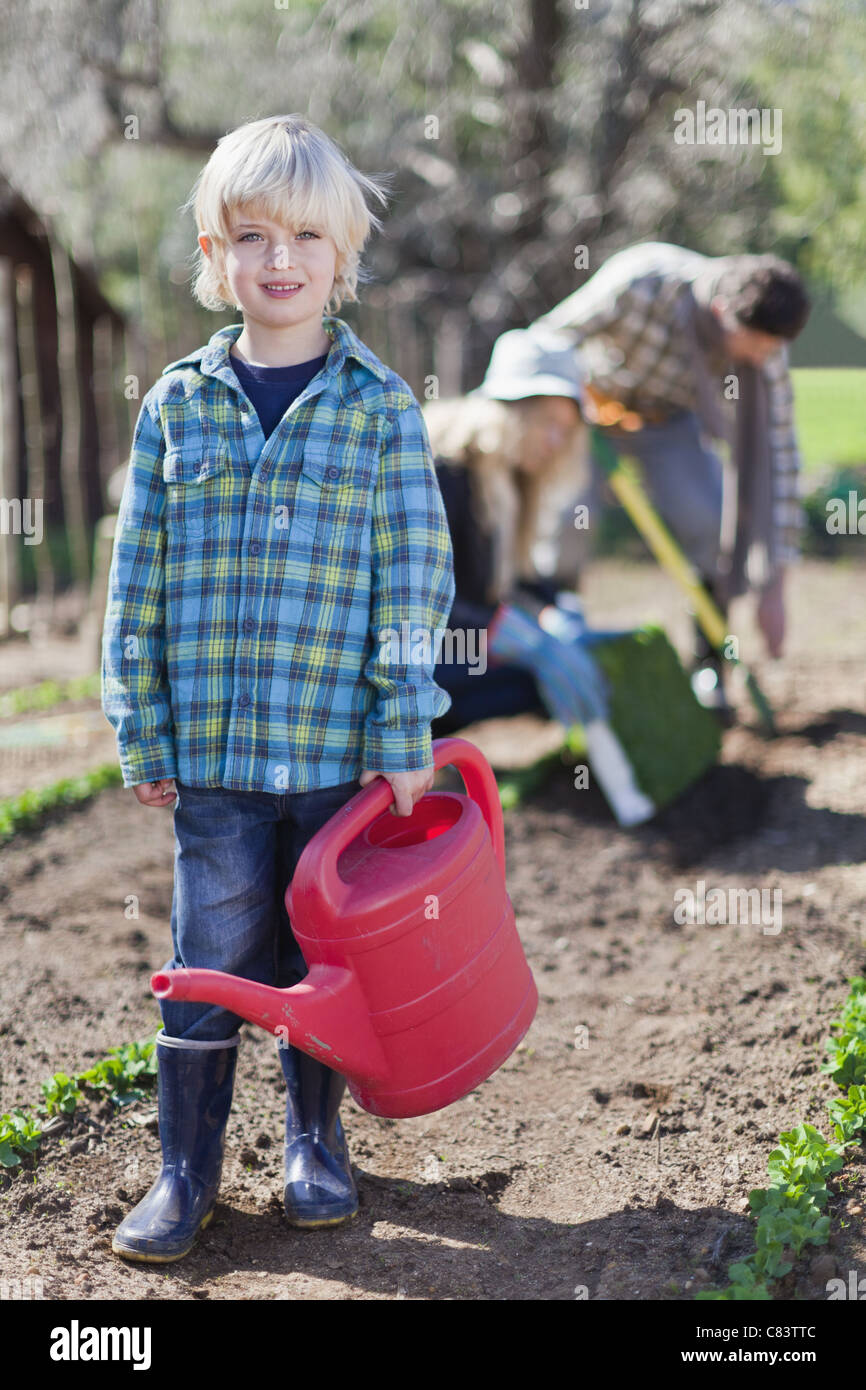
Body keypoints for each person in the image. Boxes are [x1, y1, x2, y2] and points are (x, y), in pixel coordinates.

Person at [101, 114, 455, 1262]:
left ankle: (313, 1142)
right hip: (213, 759)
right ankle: (183, 1170)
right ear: (215, 254)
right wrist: (140, 725)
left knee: (320, 962)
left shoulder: (379, 410)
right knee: (205, 961)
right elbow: (134, 583)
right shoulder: (176, 407)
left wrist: (403, 727)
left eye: (305, 235)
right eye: (250, 236)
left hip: (336, 758)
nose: (279, 259)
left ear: (342, 256)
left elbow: (414, 582)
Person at [531, 243, 811, 715]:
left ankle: (708, 666)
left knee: (708, 521)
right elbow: (548, 338)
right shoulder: (641, 282)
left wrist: (775, 585)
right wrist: (563, 404)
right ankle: (553, 661)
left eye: (773, 350)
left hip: (671, 423)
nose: (763, 359)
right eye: (757, 346)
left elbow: (780, 455)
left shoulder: (767, 349)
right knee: (565, 525)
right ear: (722, 312)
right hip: (591, 411)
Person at [425, 327, 608, 740]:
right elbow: (419, 594)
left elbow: (508, 579)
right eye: (546, 423)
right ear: (507, 409)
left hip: (454, 645)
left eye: (566, 429)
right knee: (530, 681)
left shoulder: (512, 478)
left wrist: (552, 610)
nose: (555, 441)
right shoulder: (444, 470)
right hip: (400, 649)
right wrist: (515, 637)